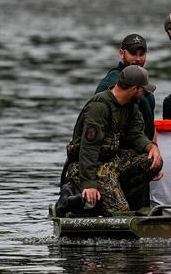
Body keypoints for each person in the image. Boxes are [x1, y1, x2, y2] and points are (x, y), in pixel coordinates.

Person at [62, 65, 163, 216]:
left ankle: (113, 193)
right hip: (89, 166)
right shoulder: (99, 107)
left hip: (112, 161)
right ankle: (89, 201)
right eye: (143, 90)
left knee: (153, 162)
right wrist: (89, 184)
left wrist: (151, 147)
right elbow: (89, 148)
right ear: (135, 89)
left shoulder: (131, 106)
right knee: (120, 212)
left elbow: (135, 135)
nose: (145, 94)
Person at [95, 34, 156, 142]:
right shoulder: (109, 85)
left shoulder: (143, 83)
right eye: (133, 54)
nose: (138, 59)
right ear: (122, 53)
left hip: (145, 146)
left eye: (141, 54)